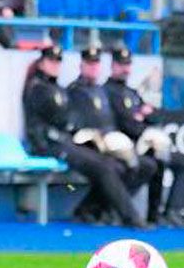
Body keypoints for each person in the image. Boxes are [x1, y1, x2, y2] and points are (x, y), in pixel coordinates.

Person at [22, 45, 148, 229]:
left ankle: (91, 209)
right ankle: (131, 218)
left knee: (115, 166)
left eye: (58, 61)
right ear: (41, 63)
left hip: (64, 142)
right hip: (50, 144)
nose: (55, 65)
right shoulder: (38, 88)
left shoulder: (55, 87)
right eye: (51, 61)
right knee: (104, 167)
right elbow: (53, 121)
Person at [67, 46, 156, 225]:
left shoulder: (100, 91)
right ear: (81, 65)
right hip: (88, 145)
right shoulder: (75, 91)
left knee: (145, 165)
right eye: (89, 64)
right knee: (112, 168)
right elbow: (77, 125)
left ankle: (98, 208)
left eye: (96, 64)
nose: (93, 68)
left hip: (109, 144)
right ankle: (130, 218)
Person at [104, 46, 184, 227]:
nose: (125, 69)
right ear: (113, 65)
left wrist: (142, 115)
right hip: (122, 146)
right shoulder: (108, 91)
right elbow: (125, 123)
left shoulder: (131, 92)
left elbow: (155, 115)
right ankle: (136, 213)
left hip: (141, 143)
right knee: (152, 163)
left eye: (128, 64)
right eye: (121, 64)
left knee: (177, 162)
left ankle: (165, 213)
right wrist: (140, 117)